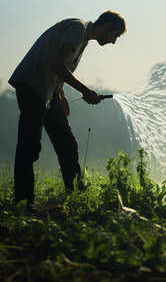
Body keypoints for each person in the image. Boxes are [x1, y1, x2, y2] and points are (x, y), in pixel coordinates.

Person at [9, 10, 126, 206]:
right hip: (32, 85)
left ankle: (75, 195)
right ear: (107, 27)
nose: (114, 42)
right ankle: (23, 200)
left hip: (50, 91)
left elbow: (57, 65)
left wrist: (61, 94)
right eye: (116, 36)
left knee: (67, 144)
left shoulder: (83, 38)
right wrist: (86, 91)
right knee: (29, 146)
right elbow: (57, 64)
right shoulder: (78, 28)